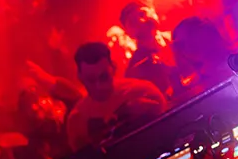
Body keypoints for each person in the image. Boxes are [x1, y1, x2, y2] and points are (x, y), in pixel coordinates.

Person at [29, 43, 167, 152]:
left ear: (113, 68)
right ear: (80, 77)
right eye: (90, 80)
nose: (98, 86)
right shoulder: (77, 120)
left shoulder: (143, 92)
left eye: (104, 77)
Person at [119, 2, 179, 97]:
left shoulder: (178, 38)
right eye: (133, 22)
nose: (141, 20)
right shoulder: (135, 70)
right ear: (129, 33)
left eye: (142, 14)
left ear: (153, 11)